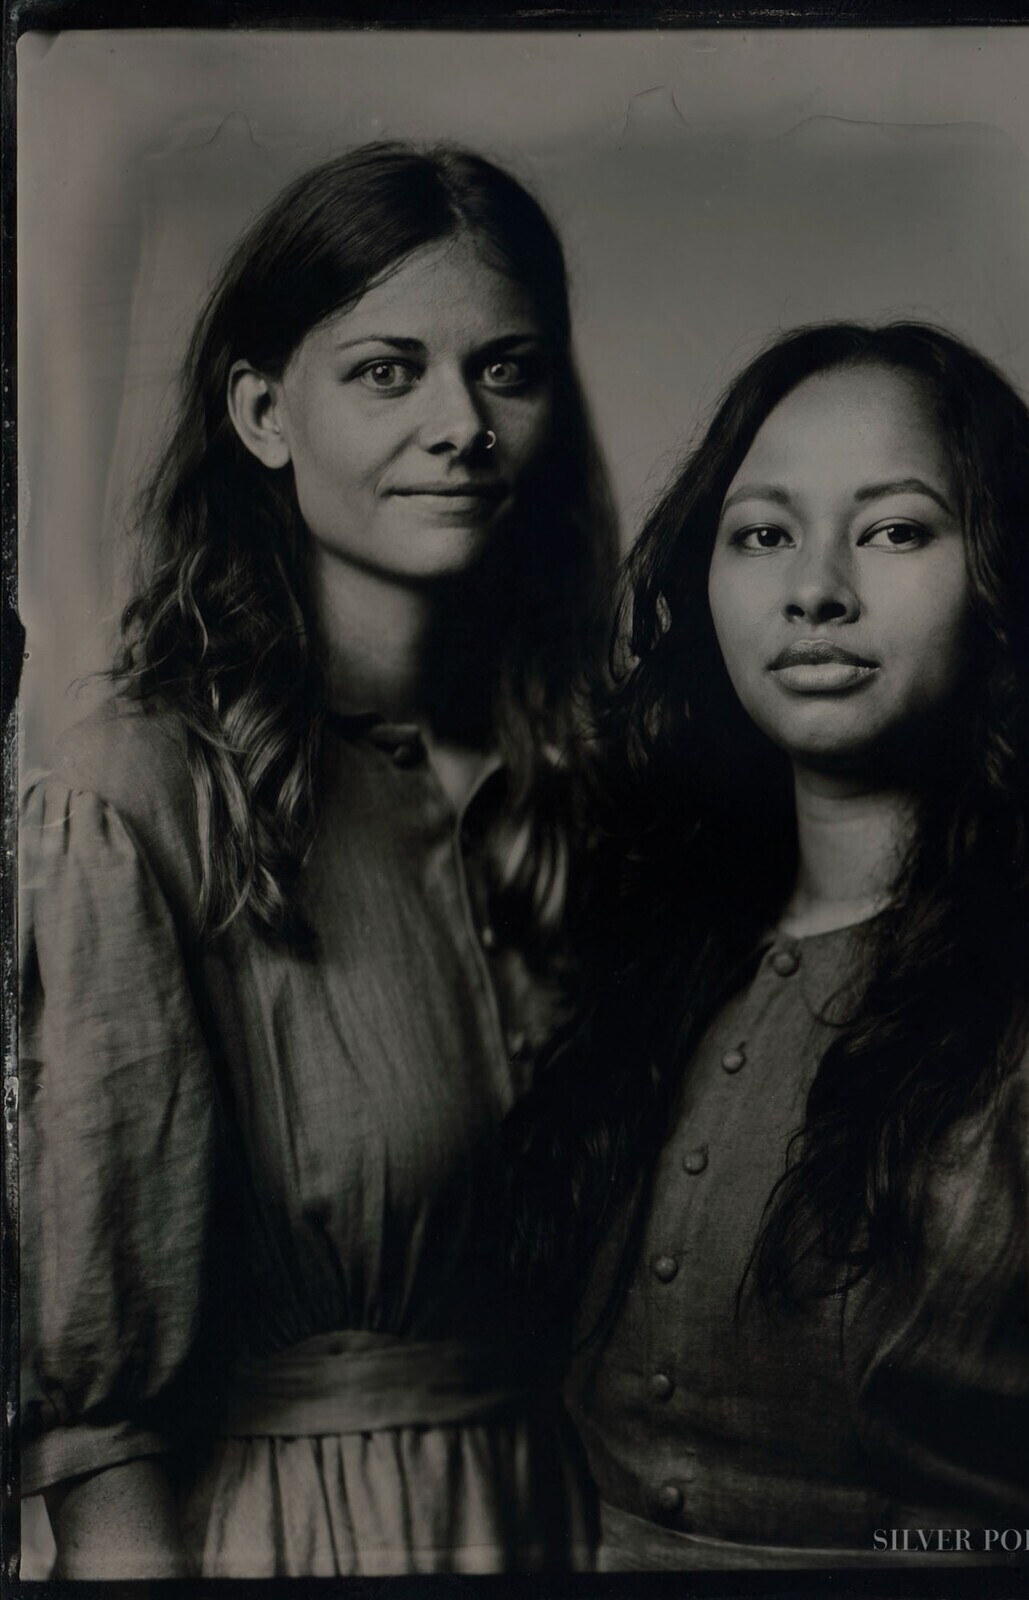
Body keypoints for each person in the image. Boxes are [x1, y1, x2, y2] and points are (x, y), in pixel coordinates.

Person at [507, 322, 1029, 1570]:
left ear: (1000, 581)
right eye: (762, 533)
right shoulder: (650, 965)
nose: (815, 588)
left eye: (895, 529)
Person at [20, 141, 614, 1578]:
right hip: (298, 1542)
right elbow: (104, 1431)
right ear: (263, 413)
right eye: (387, 371)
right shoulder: (142, 793)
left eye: (508, 371)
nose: (461, 425)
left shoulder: (593, 789)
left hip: (577, 1524)